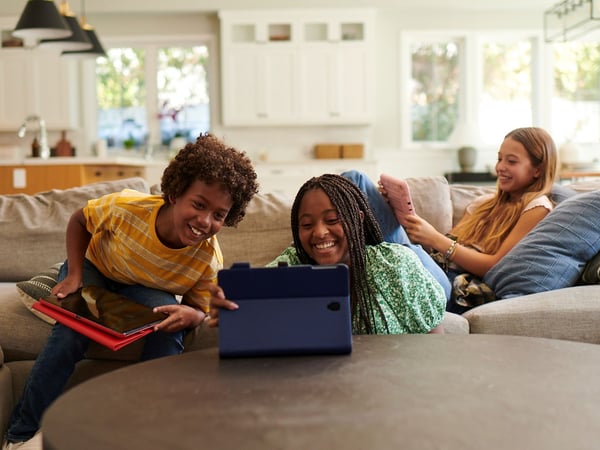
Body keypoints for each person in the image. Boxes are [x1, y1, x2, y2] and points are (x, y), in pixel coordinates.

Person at [2, 133, 258, 450]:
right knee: (68, 336)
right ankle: (20, 434)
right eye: (199, 205)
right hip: (95, 267)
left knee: (167, 331)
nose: (205, 221)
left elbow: (196, 309)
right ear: (176, 193)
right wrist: (76, 273)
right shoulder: (126, 208)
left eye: (219, 215)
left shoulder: (207, 259)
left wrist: (192, 315)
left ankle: (143, 431)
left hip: (143, 288)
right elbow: (79, 220)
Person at [209, 173, 446, 335]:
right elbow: (251, 295)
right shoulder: (291, 265)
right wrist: (230, 303)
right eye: (306, 225)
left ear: (358, 220)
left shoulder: (395, 265)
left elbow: (434, 342)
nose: (320, 232)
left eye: (332, 220)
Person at [362, 127, 557, 314]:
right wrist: (406, 219)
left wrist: (435, 238)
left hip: (457, 289)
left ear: (537, 170)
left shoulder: (537, 207)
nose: (500, 167)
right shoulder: (484, 204)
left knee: (399, 254)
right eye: (499, 159)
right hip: (434, 268)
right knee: (357, 179)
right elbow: (446, 251)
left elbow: (494, 265)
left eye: (511, 161)